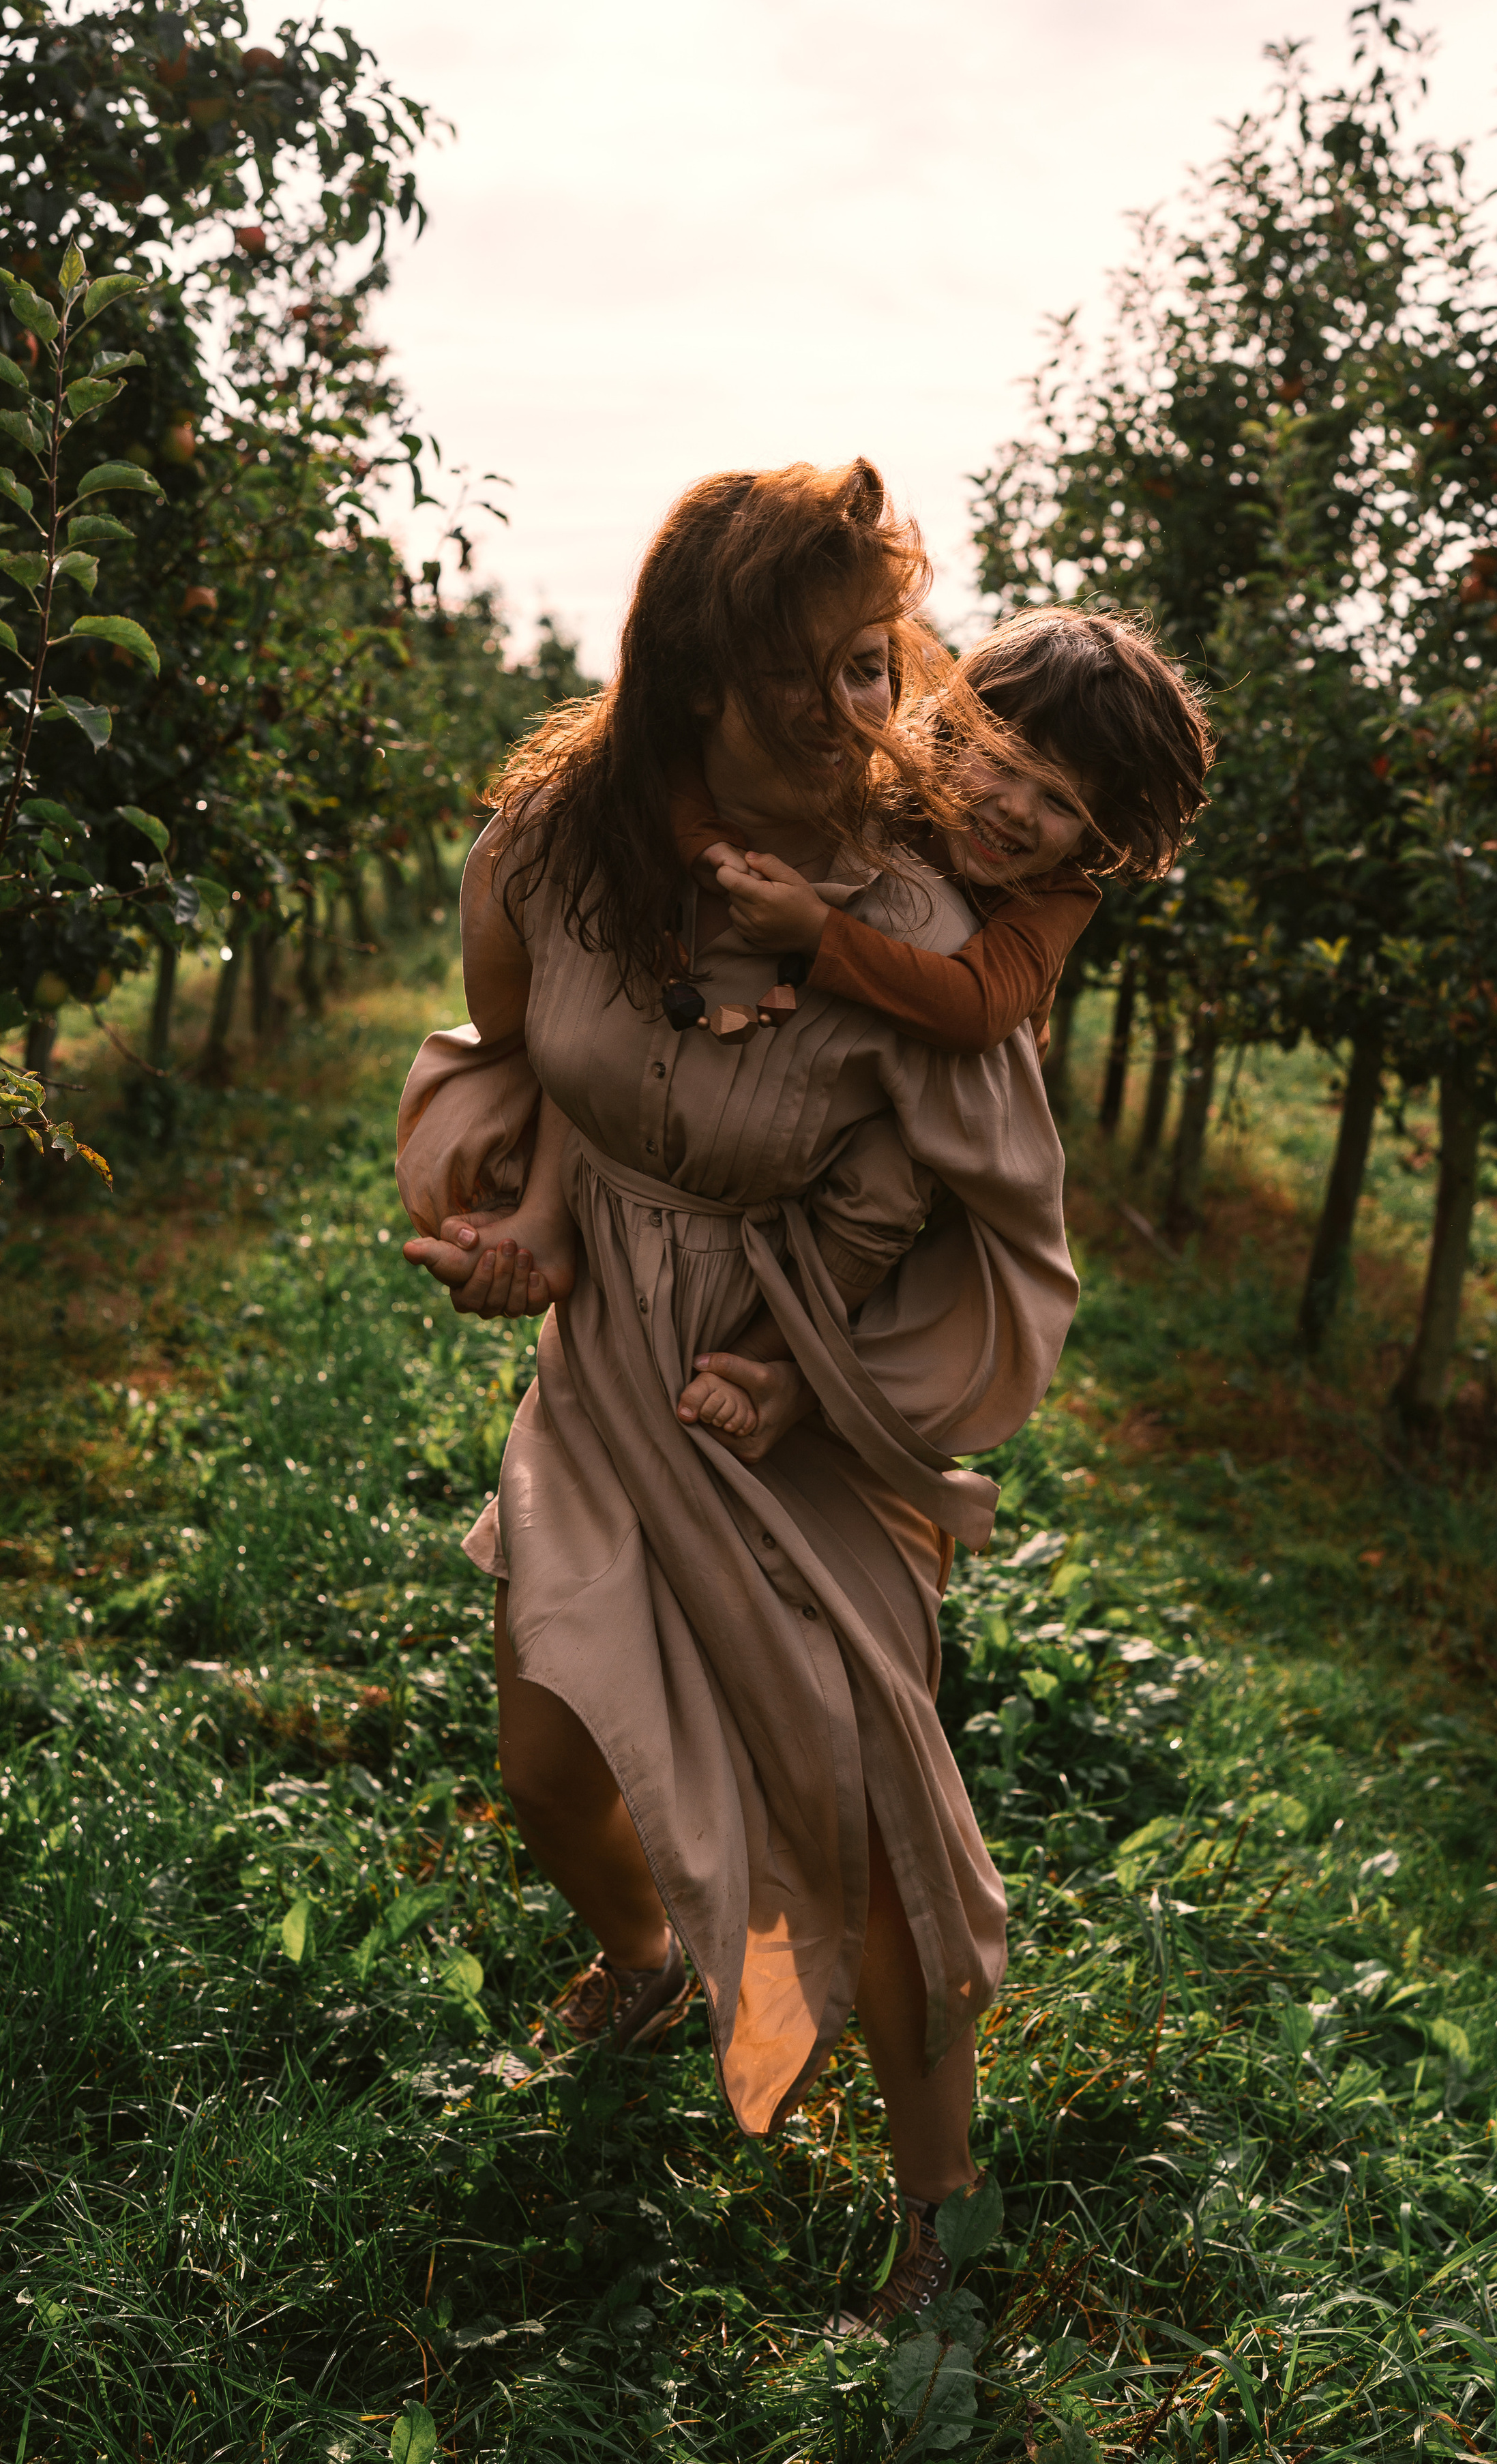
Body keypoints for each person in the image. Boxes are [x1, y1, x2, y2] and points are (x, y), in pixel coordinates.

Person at [396, 458, 1082, 2331]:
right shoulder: (554, 840)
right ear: (698, 674)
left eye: (880, 663)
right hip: (616, 1347)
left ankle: (940, 2213)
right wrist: (511, 1217)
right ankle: (652, 1955)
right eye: (820, 678)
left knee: (865, 1802)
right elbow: (515, 1053)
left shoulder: (918, 912)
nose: (869, 718)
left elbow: (981, 1200)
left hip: (803, 1382)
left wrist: (805, 1362)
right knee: (549, 1757)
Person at [674, 606, 1211, 1058]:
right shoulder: (896, 796)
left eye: (1060, 802)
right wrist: (706, 845)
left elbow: (976, 1009)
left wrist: (817, 933)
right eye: (1002, 762)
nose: (1017, 809)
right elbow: (682, 781)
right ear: (955, 735)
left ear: (1094, 835)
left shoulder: (1053, 896)